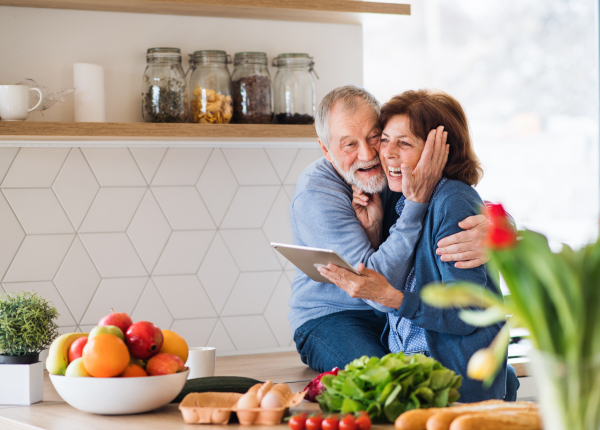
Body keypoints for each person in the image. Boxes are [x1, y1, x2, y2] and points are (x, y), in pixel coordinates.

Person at [317, 89, 513, 402]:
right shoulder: (402, 196)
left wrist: (391, 297)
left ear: (439, 152)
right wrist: (375, 230)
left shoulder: (451, 202)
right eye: (386, 139)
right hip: (422, 375)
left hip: (451, 387)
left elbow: (469, 311)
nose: (385, 154)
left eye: (404, 143)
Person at [288, 86, 489, 372]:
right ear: (326, 150)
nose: (368, 153)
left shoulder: (393, 165)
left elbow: (457, 201)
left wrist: (494, 228)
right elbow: (373, 283)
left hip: (399, 315)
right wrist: (416, 203)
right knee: (382, 381)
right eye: (349, 145)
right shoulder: (316, 195)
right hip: (337, 316)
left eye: (374, 137)